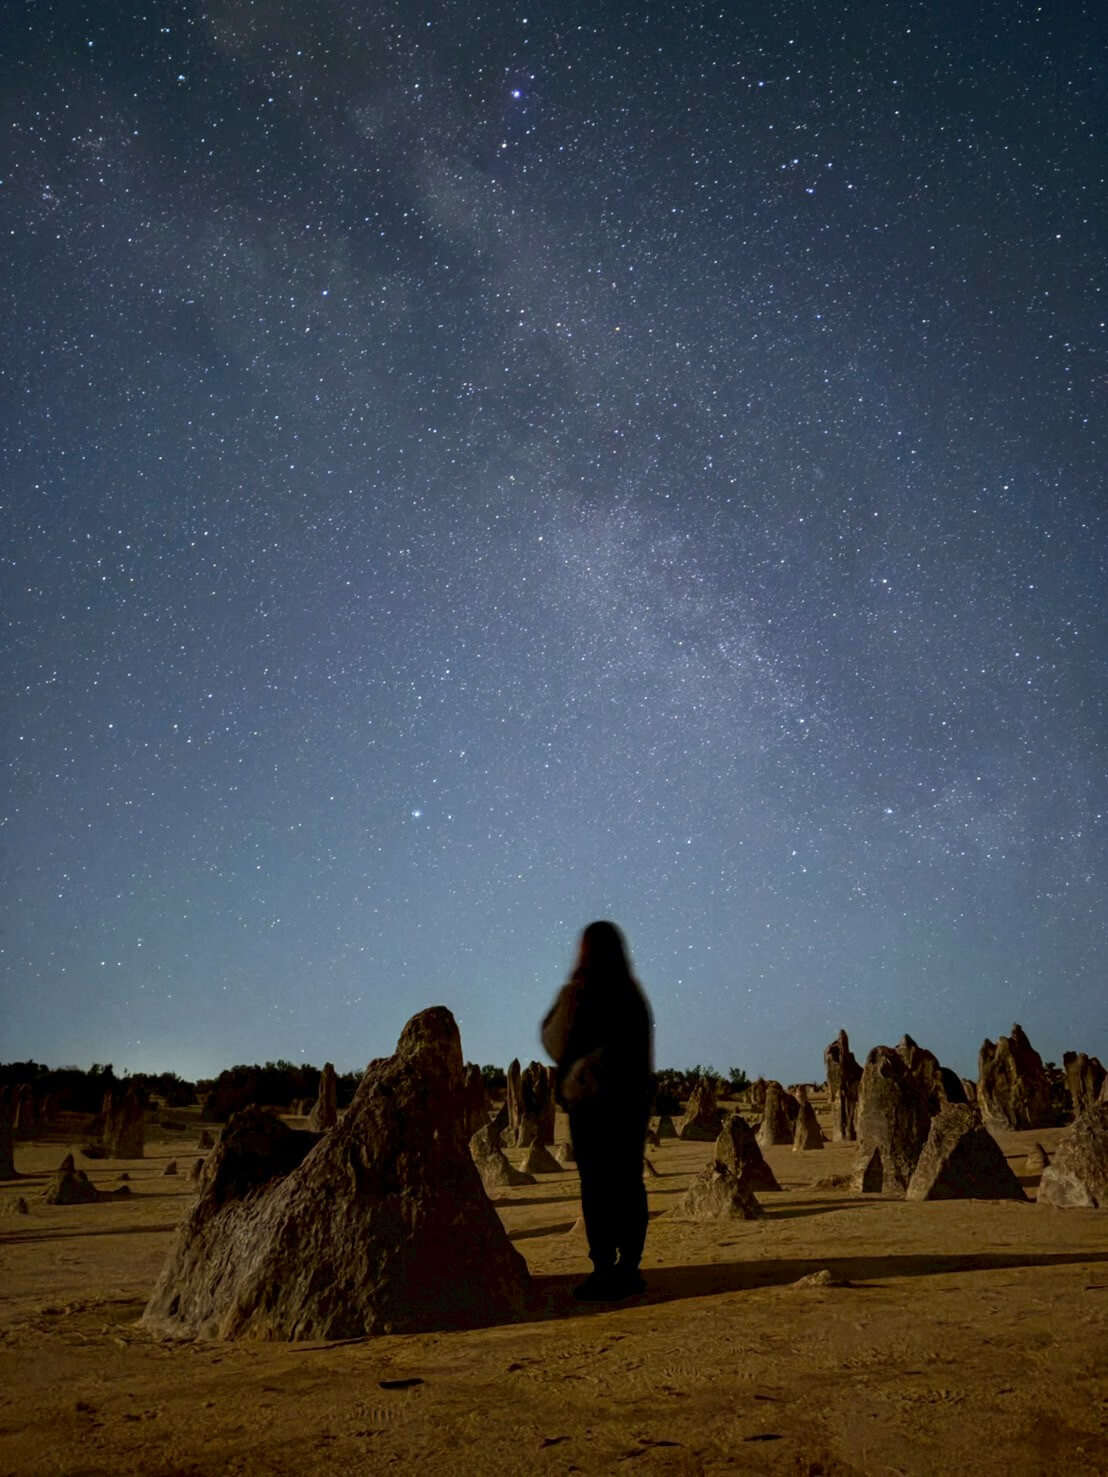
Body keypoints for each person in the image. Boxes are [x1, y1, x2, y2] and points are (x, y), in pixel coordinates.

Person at [541, 920, 655, 1301]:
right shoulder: (633, 995)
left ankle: (604, 1269)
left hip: (591, 1103)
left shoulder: (582, 991)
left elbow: (555, 1039)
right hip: (632, 1102)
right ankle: (630, 1267)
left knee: (597, 1186)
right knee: (628, 1181)